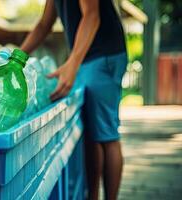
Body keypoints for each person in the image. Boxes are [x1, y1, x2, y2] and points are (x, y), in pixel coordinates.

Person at [20, 0, 127, 200]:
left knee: (106, 134)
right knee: (92, 134)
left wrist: (72, 64)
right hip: (86, 58)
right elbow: (44, 24)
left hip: (104, 55)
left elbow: (92, 15)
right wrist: (17, 58)